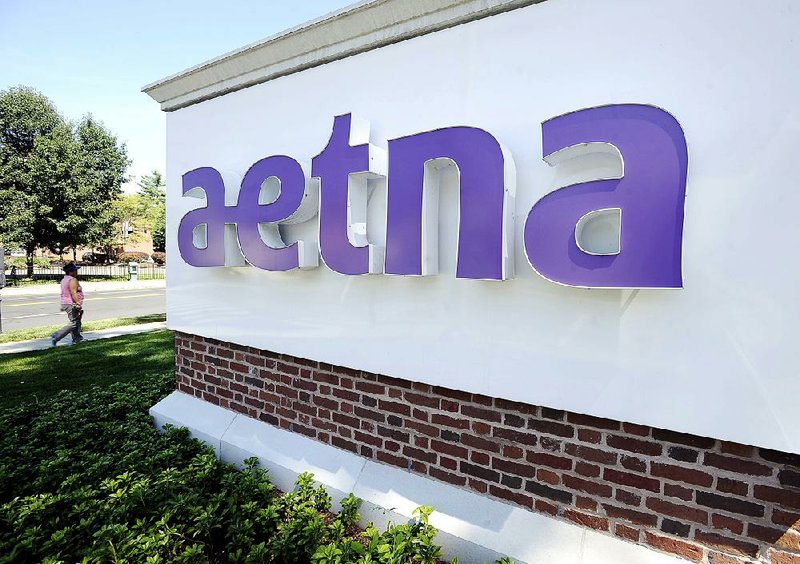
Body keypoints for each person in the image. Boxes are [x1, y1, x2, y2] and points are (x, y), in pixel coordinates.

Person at [51, 263, 85, 346]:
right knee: (74, 322)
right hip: (71, 304)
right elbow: (73, 292)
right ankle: (57, 335)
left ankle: (77, 339)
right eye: (75, 270)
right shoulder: (73, 280)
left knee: (77, 321)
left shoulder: (64, 279)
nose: (77, 271)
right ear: (71, 271)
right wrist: (77, 303)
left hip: (66, 303)